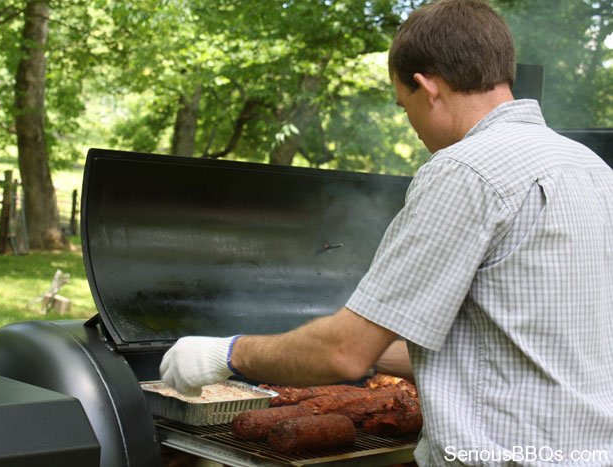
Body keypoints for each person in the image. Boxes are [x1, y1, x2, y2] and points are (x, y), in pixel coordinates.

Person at [160, 0, 613, 463]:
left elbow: (343, 354)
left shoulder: (464, 171)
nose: (412, 127)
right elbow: (516, 347)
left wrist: (227, 353)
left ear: (426, 86)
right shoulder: (593, 169)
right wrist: (374, 351)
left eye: (404, 106)